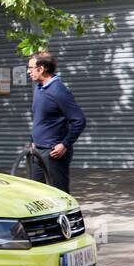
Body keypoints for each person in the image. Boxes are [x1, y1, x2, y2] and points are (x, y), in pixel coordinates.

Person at [26, 51, 86, 193]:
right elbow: (40, 119)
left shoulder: (58, 91)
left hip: (53, 152)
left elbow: (79, 120)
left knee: (59, 194)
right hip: (37, 150)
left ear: (41, 69)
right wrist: (33, 141)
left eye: (30, 68)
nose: (28, 71)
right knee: (35, 193)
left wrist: (64, 144)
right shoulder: (38, 88)